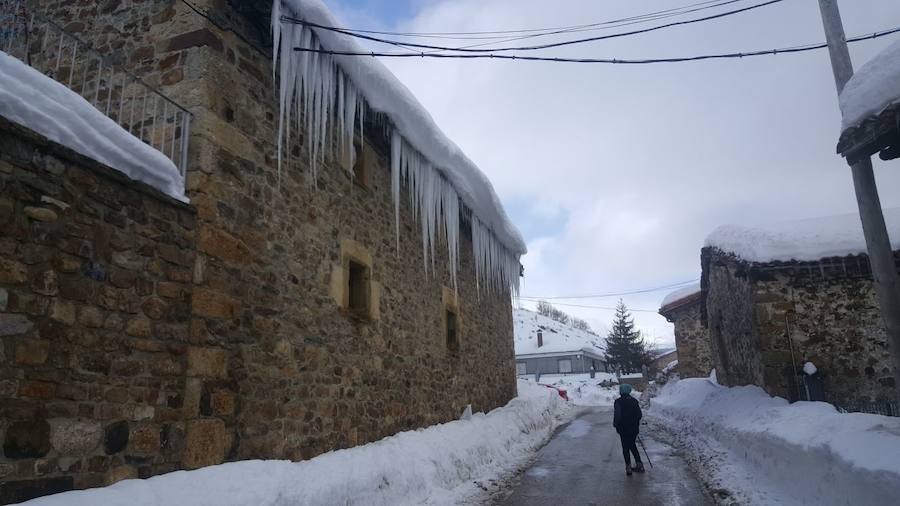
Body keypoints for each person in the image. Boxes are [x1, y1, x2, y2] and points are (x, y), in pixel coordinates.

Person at [613, 383, 644, 475]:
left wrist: (616, 425)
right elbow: (639, 415)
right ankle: (639, 464)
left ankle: (628, 467)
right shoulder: (634, 401)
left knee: (625, 447)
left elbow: (617, 415)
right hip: (634, 429)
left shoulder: (618, 402)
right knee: (632, 445)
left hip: (623, 429)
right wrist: (634, 423)